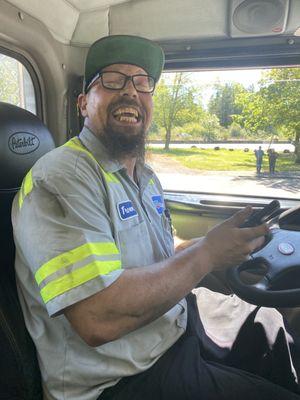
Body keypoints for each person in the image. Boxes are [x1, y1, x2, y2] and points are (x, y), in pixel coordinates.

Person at [12, 35, 300, 400]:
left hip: (171, 328)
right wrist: (208, 253)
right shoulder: (61, 176)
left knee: (273, 330)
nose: (130, 91)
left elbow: (165, 253)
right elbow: (97, 318)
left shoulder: (145, 177)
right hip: (118, 381)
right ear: (83, 104)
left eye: (142, 82)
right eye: (112, 80)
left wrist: (230, 244)